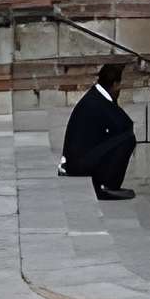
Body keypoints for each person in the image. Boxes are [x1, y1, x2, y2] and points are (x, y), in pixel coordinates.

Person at [60, 61, 138, 201]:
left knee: (118, 136)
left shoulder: (96, 95)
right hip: (77, 165)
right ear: (115, 84)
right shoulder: (98, 101)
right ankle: (108, 186)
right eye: (119, 85)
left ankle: (106, 183)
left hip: (78, 160)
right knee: (127, 138)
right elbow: (126, 125)